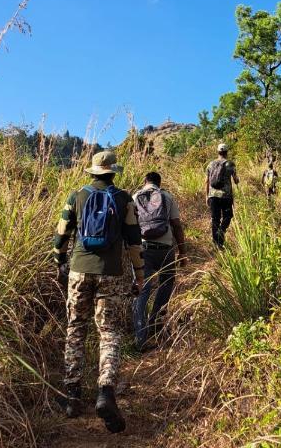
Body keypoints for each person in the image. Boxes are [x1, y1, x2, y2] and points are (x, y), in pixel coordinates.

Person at [52, 150, 144, 433]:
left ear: (92, 172)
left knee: (76, 328)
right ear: (113, 172)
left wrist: (59, 261)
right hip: (112, 272)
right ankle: (105, 391)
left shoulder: (76, 196)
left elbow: (62, 234)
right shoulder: (124, 198)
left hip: (80, 269)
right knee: (110, 331)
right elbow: (133, 240)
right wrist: (139, 274)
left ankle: (72, 395)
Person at [132, 171, 186, 348]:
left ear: (144, 181)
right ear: (159, 183)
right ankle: (157, 326)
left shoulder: (135, 197)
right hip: (165, 249)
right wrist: (182, 252)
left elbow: (130, 226)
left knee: (142, 291)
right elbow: (176, 225)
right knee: (166, 285)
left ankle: (140, 338)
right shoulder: (166, 196)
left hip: (143, 250)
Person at [205, 142, 239, 249]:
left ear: (218, 152)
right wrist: (237, 179)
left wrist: (207, 196)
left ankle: (217, 244)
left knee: (215, 219)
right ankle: (221, 231)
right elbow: (236, 180)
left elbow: (206, 181)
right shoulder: (231, 164)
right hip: (226, 196)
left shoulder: (210, 164)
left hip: (213, 196)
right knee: (228, 216)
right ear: (226, 152)